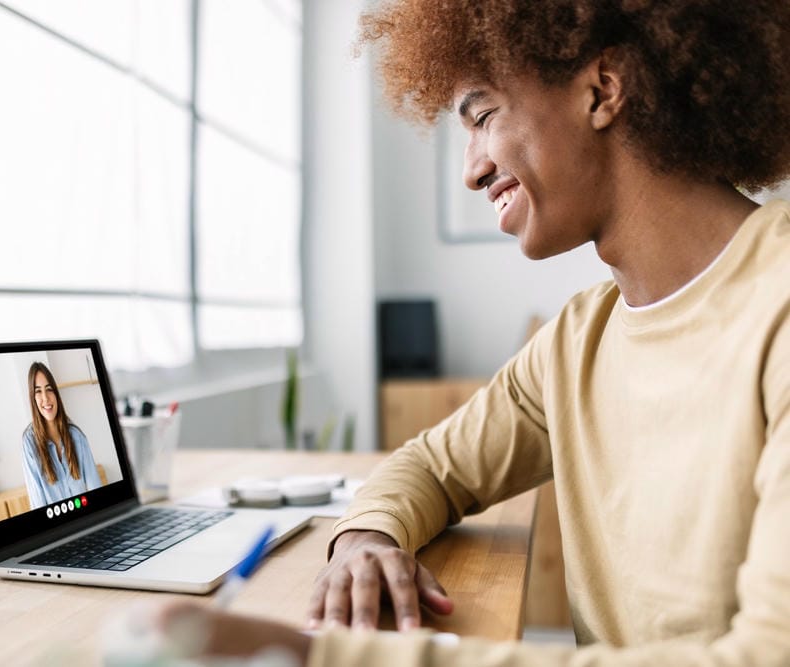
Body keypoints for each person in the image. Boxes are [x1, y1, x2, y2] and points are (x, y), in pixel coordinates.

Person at [150, 0, 790, 665]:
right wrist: (367, 538)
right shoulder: (575, 342)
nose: (472, 169)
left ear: (602, 90)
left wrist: (315, 654)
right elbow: (429, 464)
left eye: (483, 116)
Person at [22, 361, 101, 509]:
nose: (45, 398)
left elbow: (95, 486)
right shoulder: (29, 443)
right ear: (33, 398)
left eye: (49, 389)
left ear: (56, 394)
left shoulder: (77, 436)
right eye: (38, 391)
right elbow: (38, 502)